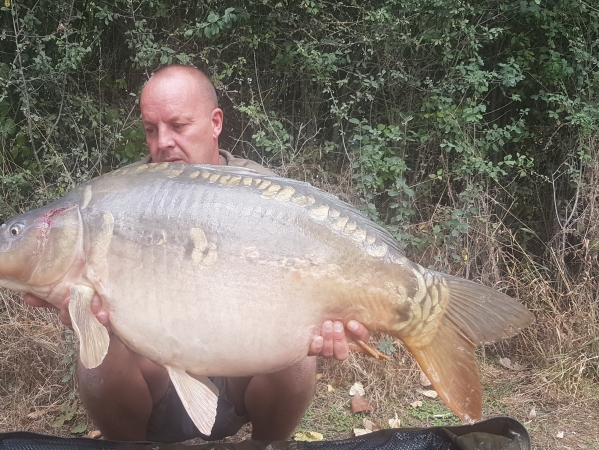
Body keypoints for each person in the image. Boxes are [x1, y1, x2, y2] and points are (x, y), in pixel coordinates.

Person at [23, 65, 370, 442]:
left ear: (216, 122)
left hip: (241, 371)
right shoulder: (124, 196)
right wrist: (84, 313)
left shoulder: (260, 194)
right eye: (151, 130)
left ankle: (267, 445)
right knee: (96, 361)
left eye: (178, 126)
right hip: (155, 381)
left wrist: (343, 314)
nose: (163, 142)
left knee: (300, 357)